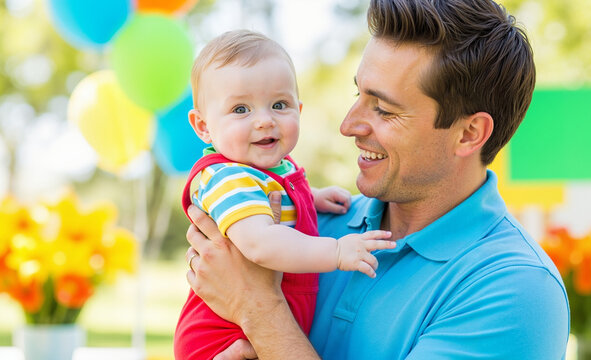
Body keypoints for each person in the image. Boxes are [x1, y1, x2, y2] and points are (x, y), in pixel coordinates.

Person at [185, 0, 570, 359]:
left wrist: (258, 308)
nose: (348, 125)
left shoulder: (513, 292)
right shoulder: (309, 223)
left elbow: (251, 300)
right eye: (358, 93)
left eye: (384, 110)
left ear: (469, 134)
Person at [174, 30, 396, 360]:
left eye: (279, 105)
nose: (264, 120)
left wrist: (311, 197)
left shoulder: (274, 170)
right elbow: (260, 243)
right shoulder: (227, 177)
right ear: (203, 126)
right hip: (221, 339)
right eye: (240, 109)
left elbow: (273, 198)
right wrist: (335, 251)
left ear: (299, 109)